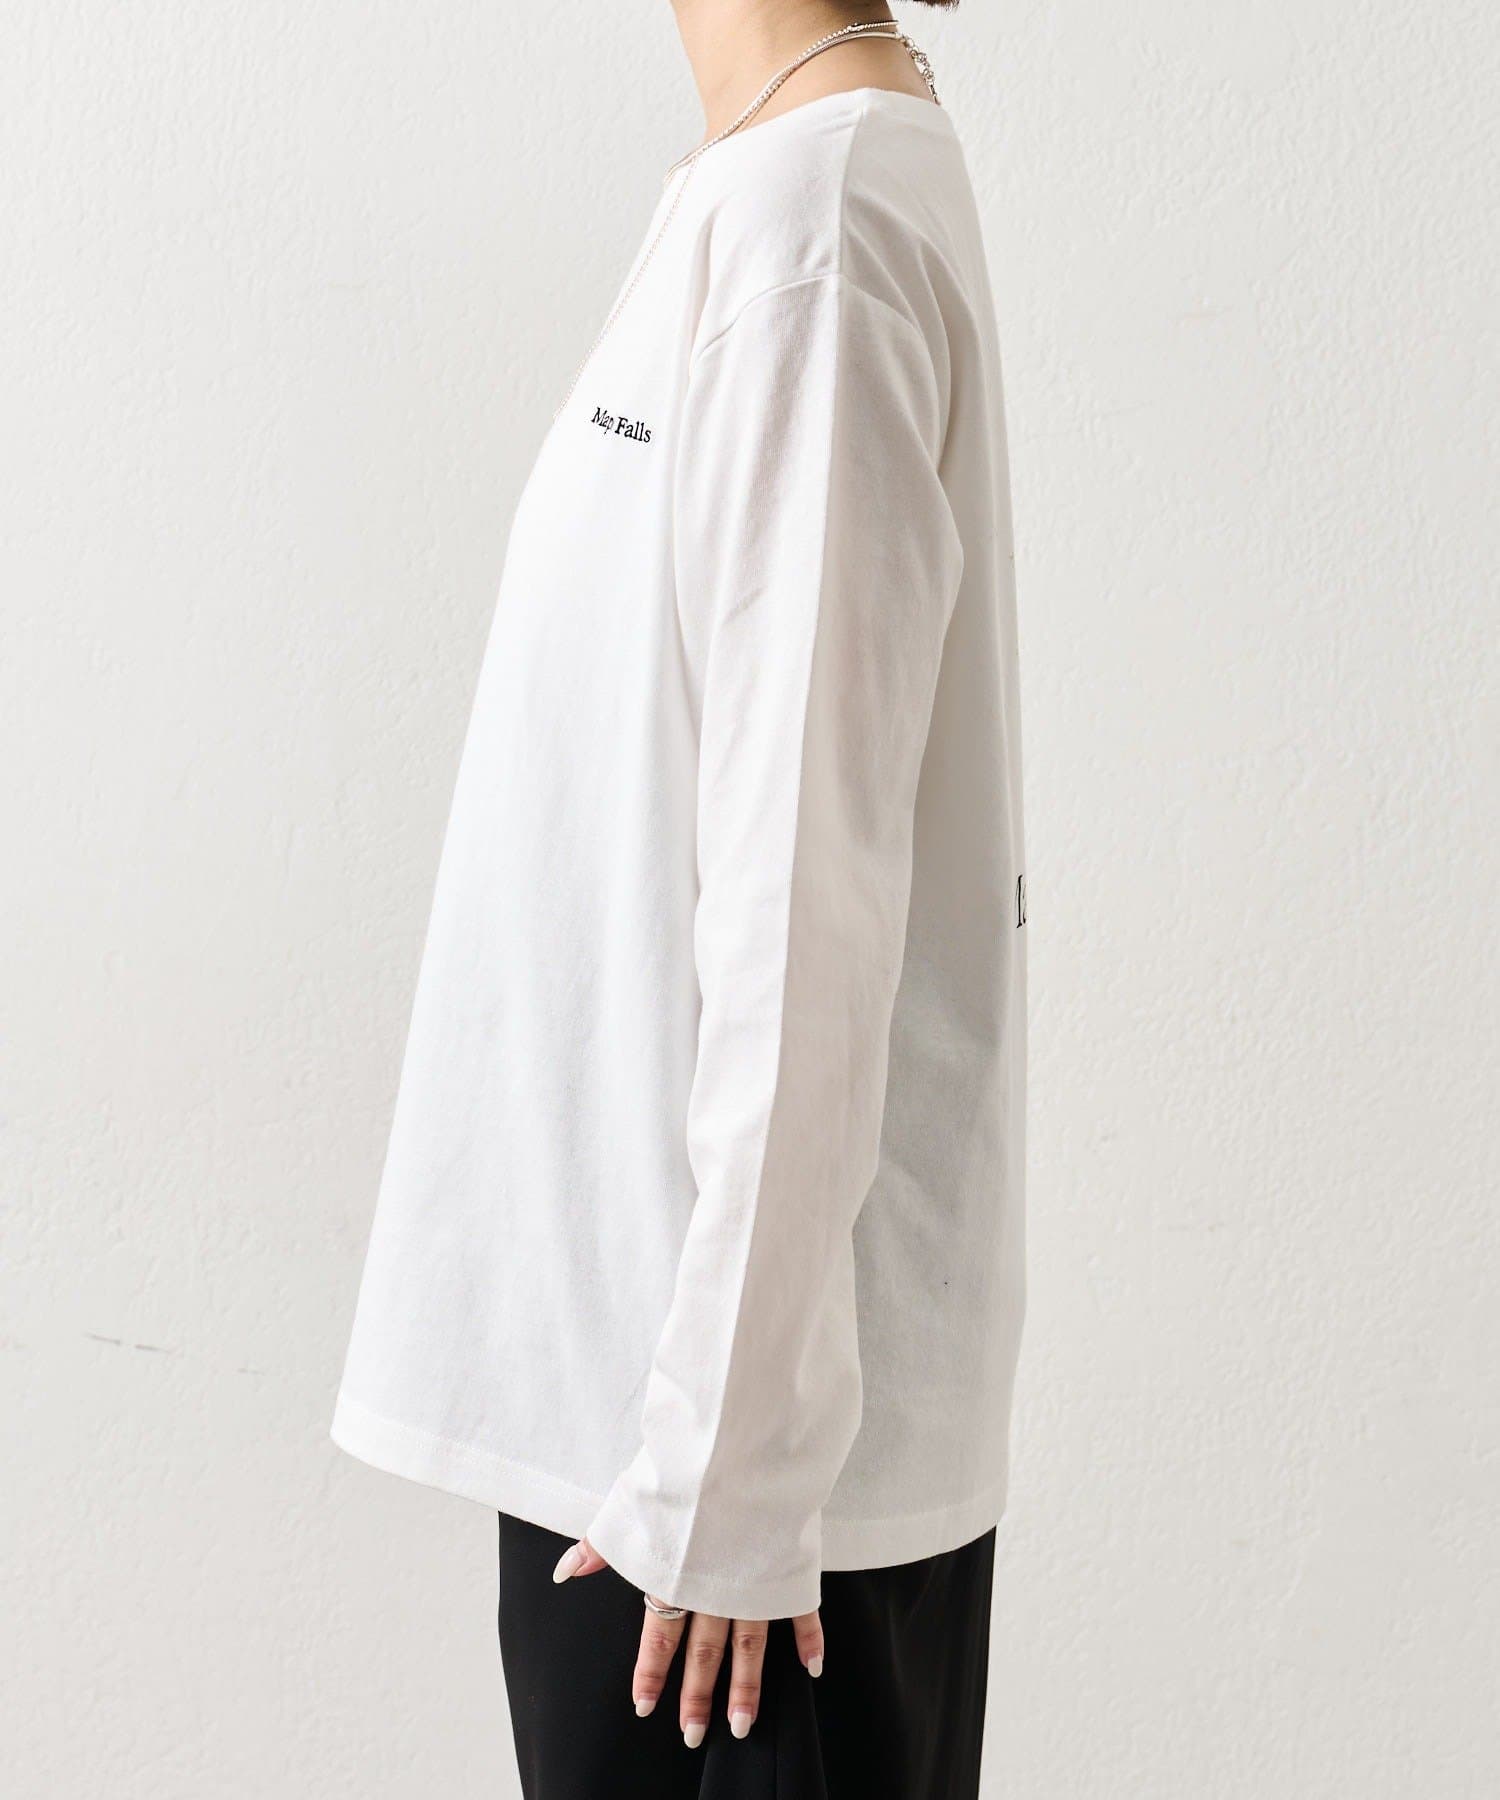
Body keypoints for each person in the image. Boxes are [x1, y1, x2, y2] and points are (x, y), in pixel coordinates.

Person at [332, 2, 1025, 1793]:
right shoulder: (769, 182)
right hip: (659, 1438)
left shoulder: (820, 221)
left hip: (725, 1516)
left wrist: (728, 1473)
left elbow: (811, 894)